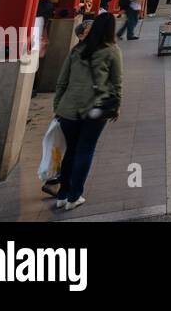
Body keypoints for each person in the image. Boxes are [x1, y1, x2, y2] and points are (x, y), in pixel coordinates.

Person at [51, 12, 122, 211]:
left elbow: (62, 80)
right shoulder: (111, 50)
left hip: (68, 109)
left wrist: (57, 106)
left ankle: (63, 195)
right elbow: (117, 83)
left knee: (71, 151)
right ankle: (75, 195)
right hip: (95, 108)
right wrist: (116, 107)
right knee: (85, 150)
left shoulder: (77, 49)